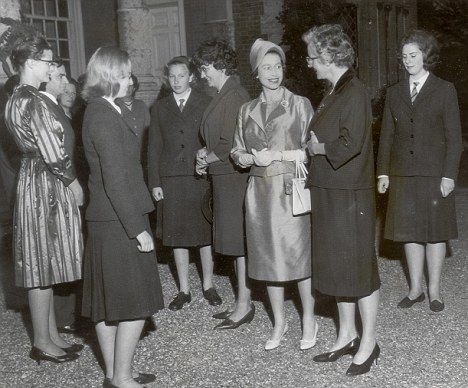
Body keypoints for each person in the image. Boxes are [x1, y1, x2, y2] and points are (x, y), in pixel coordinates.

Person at [80, 46, 164, 388]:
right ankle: (123, 376)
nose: (132, 80)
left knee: (109, 301)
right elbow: (116, 180)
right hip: (119, 221)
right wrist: (138, 230)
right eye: (127, 74)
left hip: (109, 219)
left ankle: (115, 374)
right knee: (133, 302)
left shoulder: (103, 109)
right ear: (111, 76)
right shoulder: (102, 114)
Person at [302, 24, 380, 376]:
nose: (309, 64)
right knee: (338, 267)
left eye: (313, 57)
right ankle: (347, 333)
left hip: (349, 193)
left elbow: (351, 143)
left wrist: (318, 148)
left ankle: (369, 342)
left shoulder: (355, 92)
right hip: (331, 191)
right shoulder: (335, 89)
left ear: (330, 57)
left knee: (359, 269)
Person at [231, 39, 317, 350]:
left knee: (299, 256)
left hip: (291, 190)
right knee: (267, 259)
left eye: (277, 67)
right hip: (259, 194)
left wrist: (282, 156)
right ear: (256, 73)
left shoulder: (300, 104)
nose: (274, 73)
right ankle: (279, 321)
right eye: (267, 68)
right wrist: (252, 159)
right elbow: (237, 151)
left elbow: (313, 148)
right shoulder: (246, 110)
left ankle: (309, 317)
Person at [4, 36, 84, 364]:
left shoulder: (17, 97)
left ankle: (50, 335)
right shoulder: (33, 100)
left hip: (33, 178)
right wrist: (73, 183)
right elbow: (53, 150)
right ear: (32, 63)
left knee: (44, 260)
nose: (52, 67)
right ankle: (42, 342)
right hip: (46, 183)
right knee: (40, 264)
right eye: (49, 61)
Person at [377, 30, 462, 313]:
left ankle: (434, 291)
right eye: (404, 56)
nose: (408, 61)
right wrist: (383, 172)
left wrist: (449, 175)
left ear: (426, 56)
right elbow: (386, 137)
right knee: (409, 233)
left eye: (413, 55)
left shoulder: (444, 89)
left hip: (434, 174)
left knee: (435, 233)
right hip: (402, 174)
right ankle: (415, 289)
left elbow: (454, 138)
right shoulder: (393, 93)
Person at [148, 56, 217, 310]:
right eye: (172, 76)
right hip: (171, 179)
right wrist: (154, 182)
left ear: (191, 77)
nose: (176, 81)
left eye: (181, 76)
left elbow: (213, 140)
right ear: (168, 79)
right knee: (177, 235)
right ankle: (184, 290)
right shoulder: (159, 107)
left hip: (198, 176)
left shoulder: (206, 103)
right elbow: (153, 147)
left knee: (204, 235)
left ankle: (208, 285)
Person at [192, 39, 251, 329]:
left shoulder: (235, 95)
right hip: (224, 176)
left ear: (218, 65)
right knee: (235, 242)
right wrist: (205, 151)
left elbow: (230, 143)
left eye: (204, 69)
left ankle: (244, 304)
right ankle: (243, 301)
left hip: (232, 178)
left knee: (239, 242)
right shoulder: (223, 94)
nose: (202, 75)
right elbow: (217, 138)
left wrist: (206, 159)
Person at [39, 62, 83, 336]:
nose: (68, 88)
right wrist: (74, 183)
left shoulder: (70, 114)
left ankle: (60, 322)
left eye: (71, 89)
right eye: (61, 79)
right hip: (60, 186)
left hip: (69, 184)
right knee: (56, 255)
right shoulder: (46, 109)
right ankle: (56, 324)